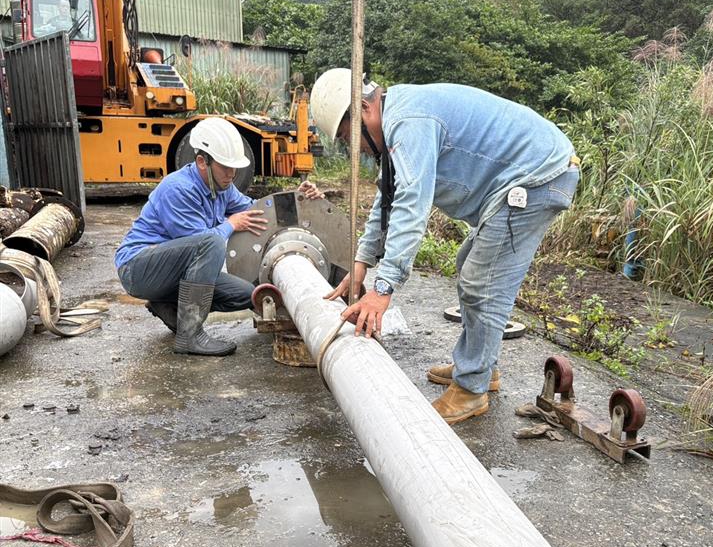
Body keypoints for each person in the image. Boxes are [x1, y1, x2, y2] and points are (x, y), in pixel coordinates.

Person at [310, 69, 580, 425]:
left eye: (349, 137)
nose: (354, 148)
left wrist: (383, 288)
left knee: (482, 282)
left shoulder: (409, 122)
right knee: (469, 263)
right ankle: (482, 367)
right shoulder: (398, 118)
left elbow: (411, 206)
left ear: (363, 108)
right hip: (524, 178)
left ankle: (471, 389)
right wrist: (361, 262)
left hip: (537, 177)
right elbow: (387, 197)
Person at [115, 117, 321, 357]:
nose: (232, 174)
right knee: (212, 242)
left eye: (235, 167)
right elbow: (201, 243)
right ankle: (189, 336)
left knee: (249, 293)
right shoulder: (177, 188)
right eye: (225, 167)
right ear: (202, 162)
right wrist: (230, 224)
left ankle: (168, 305)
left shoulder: (221, 186)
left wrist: (297, 197)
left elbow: (258, 211)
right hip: (138, 269)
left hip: (169, 273)